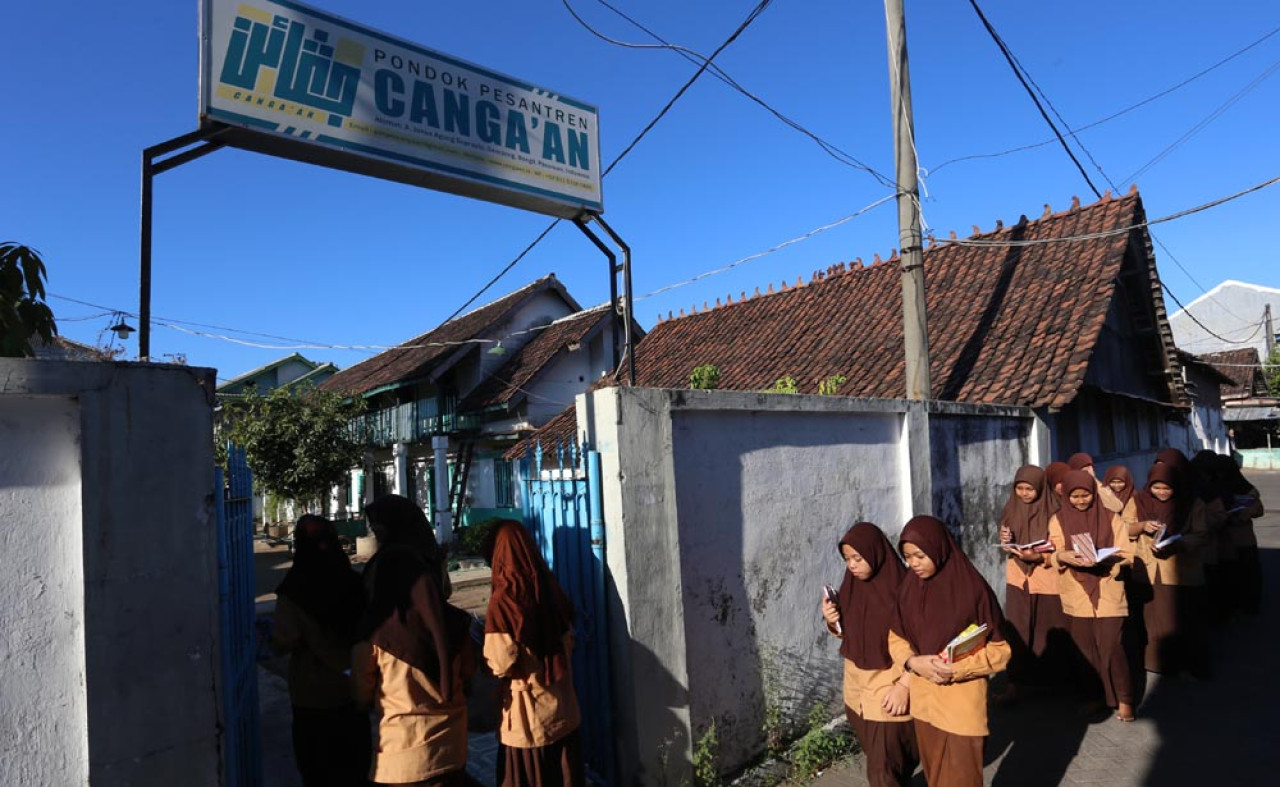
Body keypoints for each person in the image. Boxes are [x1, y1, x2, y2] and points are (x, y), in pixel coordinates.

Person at [353, 494, 475, 787]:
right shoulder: (455, 625)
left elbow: (361, 692)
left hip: (401, 758)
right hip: (451, 752)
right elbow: (469, 673)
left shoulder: (375, 636)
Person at [890, 516, 1010, 787]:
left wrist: (954, 669)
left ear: (938, 548)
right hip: (924, 705)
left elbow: (1001, 651)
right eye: (908, 557)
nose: (914, 563)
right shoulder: (909, 588)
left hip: (961, 706)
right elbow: (895, 636)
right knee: (935, 778)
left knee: (962, 779)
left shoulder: (973, 590)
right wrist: (912, 662)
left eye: (920, 555)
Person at [270, 514, 371, 787]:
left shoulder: (294, 590)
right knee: (354, 768)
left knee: (318, 771)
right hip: (353, 689)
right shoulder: (352, 581)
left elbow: (283, 639)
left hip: (312, 697)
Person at [482, 520, 584, 787]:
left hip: (529, 722)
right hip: (563, 711)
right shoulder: (550, 587)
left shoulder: (504, 601)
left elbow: (499, 663)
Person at [821, 522, 918, 787]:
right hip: (857, 690)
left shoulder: (904, 590)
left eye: (857, 558)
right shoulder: (853, 587)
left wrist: (905, 685)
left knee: (882, 770)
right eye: (847, 559)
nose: (852, 565)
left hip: (889, 687)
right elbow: (851, 633)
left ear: (875, 553)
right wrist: (832, 620)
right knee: (883, 763)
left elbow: (922, 644)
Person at [1048, 470, 1136, 721]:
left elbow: (1128, 553)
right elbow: (1053, 552)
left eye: (1085, 495)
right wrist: (1063, 556)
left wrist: (1107, 559)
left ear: (1093, 493)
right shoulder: (1058, 520)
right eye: (1074, 496)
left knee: (1112, 646)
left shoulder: (1111, 518)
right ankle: (1095, 697)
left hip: (1108, 587)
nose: (1080, 501)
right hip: (1076, 591)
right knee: (1085, 649)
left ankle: (1125, 698)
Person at [1134, 463, 1210, 678]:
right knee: (1155, 621)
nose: (1161, 492)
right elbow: (1123, 526)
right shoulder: (1139, 501)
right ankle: (1158, 663)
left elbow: (1202, 534)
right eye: (1156, 487)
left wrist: (1180, 543)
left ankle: (1187, 665)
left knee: (1183, 620)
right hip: (1150, 572)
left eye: (1167, 488)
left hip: (1181, 571)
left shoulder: (1193, 503)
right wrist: (1142, 526)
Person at [997, 466, 1066, 698]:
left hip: (1046, 578)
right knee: (1017, 629)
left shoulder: (1055, 510)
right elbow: (1005, 538)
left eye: (1029, 489)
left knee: (1047, 628)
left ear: (1040, 488)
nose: (1024, 494)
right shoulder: (1011, 507)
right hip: (1018, 578)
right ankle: (1015, 682)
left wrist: (1039, 556)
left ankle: (1052, 685)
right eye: (1020, 488)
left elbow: (1062, 545)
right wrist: (1005, 539)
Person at [1214, 454, 1265, 615]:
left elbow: (1259, 510)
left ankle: (1248, 605)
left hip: (1243, 539)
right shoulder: (1213, 489)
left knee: (1247, 573)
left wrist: (1245, 513)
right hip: (1223, 540)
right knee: (1230, 574)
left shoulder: (1246, 488)